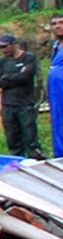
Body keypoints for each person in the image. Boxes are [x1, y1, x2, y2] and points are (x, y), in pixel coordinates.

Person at [0, 33, 41, 158]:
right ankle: (17, 161)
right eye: (0, 48)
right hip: (8, 105)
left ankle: (35, 158)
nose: (3, 50)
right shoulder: (1, 62)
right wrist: (16, 76)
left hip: (25, 104)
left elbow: (26, 76)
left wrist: (7, 78)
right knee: (12, 137)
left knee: (30, 135)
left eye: (5, 47)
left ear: (14, 44)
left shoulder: (28, 58)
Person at [51, 15, 63, 156]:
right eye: (54, 24)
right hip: (56, 94)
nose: (58, 26)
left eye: (61, 23)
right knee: (58, 123)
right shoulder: (55, 46)